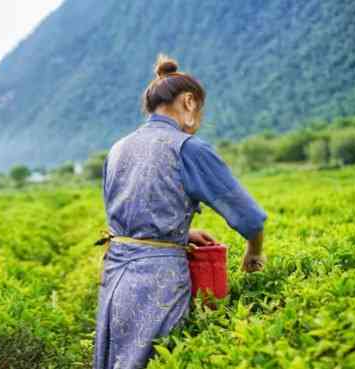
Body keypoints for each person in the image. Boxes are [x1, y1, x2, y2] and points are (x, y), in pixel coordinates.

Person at [93, 55, 268, 369]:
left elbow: (128, 212)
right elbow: (249, 216)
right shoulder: (187, 147)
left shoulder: (118, 147)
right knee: (159, 359)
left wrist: (179, 232)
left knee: (117, 359)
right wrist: (254, 252)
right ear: (188, 101)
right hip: (158, 280)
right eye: (199, 109)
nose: (199, 118)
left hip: (115, 275)